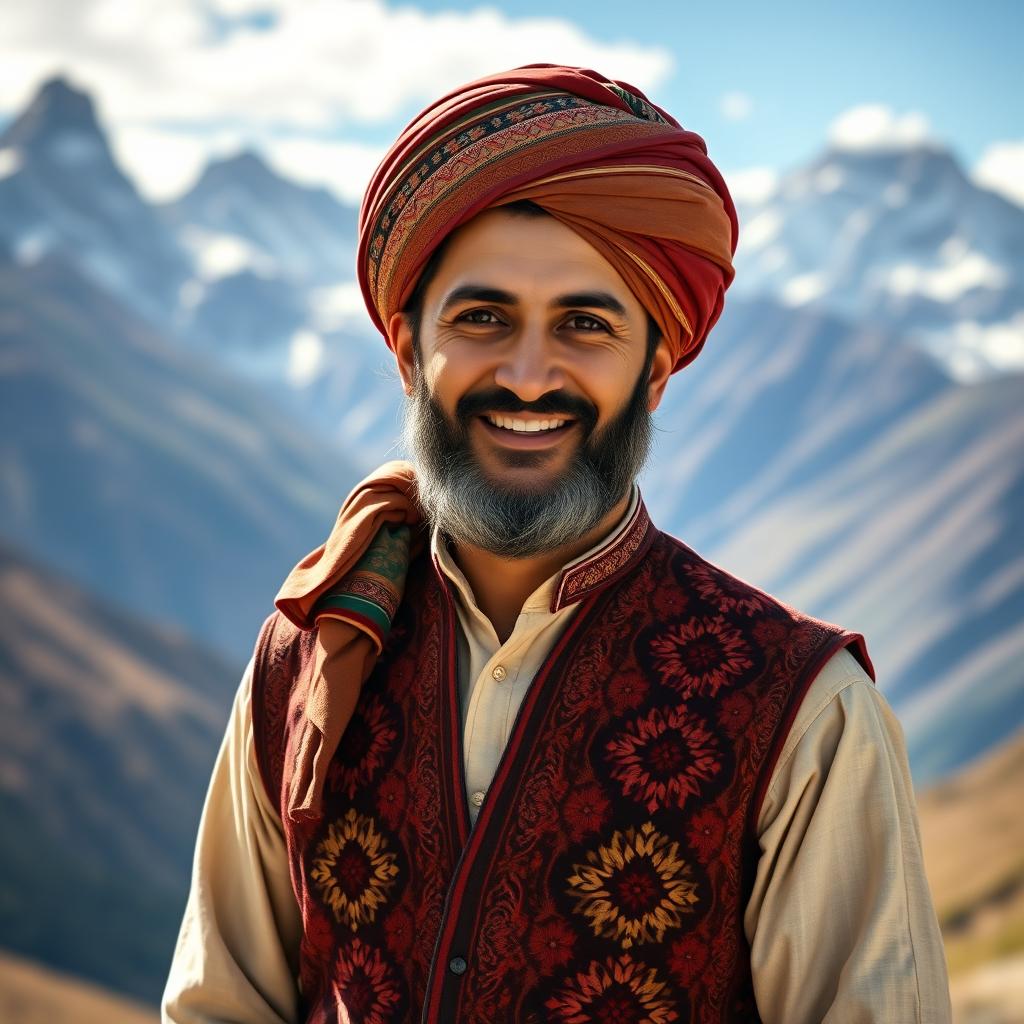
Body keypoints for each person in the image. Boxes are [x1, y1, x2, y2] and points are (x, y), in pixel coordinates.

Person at [162, 64, 951, 1023]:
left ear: (655, 371)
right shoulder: (307, 659)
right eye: (483, 319)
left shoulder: (805, 713)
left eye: (585, 324)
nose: (529, 377)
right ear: (409, 352)